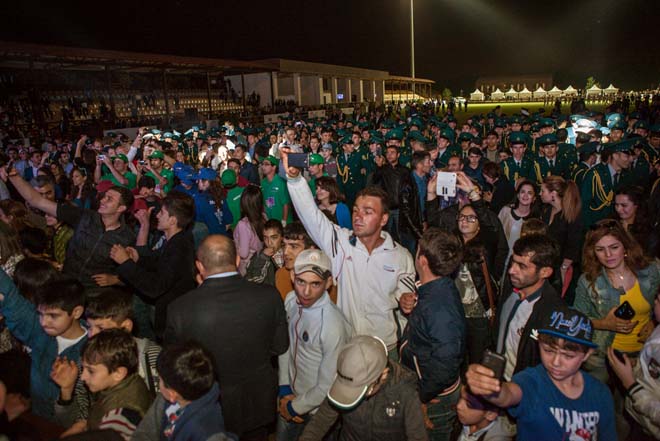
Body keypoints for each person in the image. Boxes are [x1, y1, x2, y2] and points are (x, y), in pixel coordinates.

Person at [284, 149, 416, 354]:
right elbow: (312, 217)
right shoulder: (342, 243)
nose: (358, 216)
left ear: (383, 219)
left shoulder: (401, 257)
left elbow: (406, 294)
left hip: (386, 348)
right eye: (355, 210)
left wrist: (407, 300)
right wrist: (295, 180)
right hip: (349, 346)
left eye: (368, 212)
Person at [164, 235, 288, 439]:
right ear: (238, 260)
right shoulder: (269, 296)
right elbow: (280, 346)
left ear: (200, 267)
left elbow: (177, 365)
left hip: (208, 407)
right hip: (256, 402)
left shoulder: (179, 309)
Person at [466, 306, 616, 441]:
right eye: (548, 350)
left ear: (586, 354)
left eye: (568, 356)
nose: (556, 362)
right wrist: (490, 388)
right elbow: (509, 394)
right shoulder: (531, 380)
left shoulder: (600, 393)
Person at [1, 164, 135, 291]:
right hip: (68, 286)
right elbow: (37, 201)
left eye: (109, 199)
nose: (102, 200)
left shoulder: (126, 237)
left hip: (97, 294)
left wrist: (116, 280)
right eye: (104, 197)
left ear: (121, 208)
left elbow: (135, 275)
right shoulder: (84, 216)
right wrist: (15, 177)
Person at [277, 249, 352, 440]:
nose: (306, 291)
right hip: (288, 398)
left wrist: (295, 407)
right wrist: (284, 388)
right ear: (293, 276)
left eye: (315, 284)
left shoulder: (332, 325)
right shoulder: (291, 301)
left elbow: (328, 384)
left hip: (316, 413)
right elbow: (286, 345)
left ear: (328, 283)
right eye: (301, 281)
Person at [399, 228, 465, 441]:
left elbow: (446, 365)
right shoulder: (435, 287)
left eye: (417, 251)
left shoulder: (440, 309)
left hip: (434, 400)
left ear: (423, 261)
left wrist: (420, 396)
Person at [574, 219, 660, 382]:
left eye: (614, 247)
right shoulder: (588, 281)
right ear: (593, 252)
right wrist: (604, 324)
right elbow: (576, 319)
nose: (608, 255)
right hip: (601, 357)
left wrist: (655, 323)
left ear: (625, 247)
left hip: (644, 356)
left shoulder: (651, 271)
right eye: (600, 249)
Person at [298, 335, 429, 441]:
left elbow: (417, 437)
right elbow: (320, 421)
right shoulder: (347, 376)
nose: (350, 394)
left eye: (361, 390)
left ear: (383, 374)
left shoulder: (405, 392)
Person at [0, 272, 87, 423]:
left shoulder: (92, 350)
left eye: (53, 316)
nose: (44, 322)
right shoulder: (40, 330)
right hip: (37, 419)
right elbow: (11, 298)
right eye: (40, 314)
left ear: (76, 312)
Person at [111, 192, 196, 338]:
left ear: (172, 221)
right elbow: (161, 262)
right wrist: (138, 258)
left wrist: (126, 263)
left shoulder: (179, 248)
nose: (157, 216)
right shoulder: (178, 240)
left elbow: (155, 287)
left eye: (162, 213)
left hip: (172, 323)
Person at [58, 329, 153, 440]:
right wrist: (67, 389)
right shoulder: (127, 382)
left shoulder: (122, 415)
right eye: (83, 368)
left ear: (118, 373)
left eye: (91, 371)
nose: (83, 377)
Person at [132, 341, 237, 441]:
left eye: (160, 379)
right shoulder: (166, 398)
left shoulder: (206, 431)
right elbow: (144, 433)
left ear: (172, 394)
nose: (159, 384)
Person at [495, 234, 564, 380]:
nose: (511, 271)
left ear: (545, 272)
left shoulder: (552, 312)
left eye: (522, 266)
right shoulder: (511, 287)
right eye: (513, 262)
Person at [455, 203, 508, 364]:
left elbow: (493, 227)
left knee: (476, 358)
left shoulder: (485, 247)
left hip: (478, 313)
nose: (465, 221)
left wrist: (475, 197)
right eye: (462, 217)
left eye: (471, 218)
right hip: (455, 311)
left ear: (480, 225)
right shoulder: (452, 245)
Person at [607, 289, 660, 439]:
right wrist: (636, 364)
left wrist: (630, 384)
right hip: (639, 418)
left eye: (659, 301)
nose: (654, 302)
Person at [539, 176, 583, 301]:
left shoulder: (570, 215)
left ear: (553, 194)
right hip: (547, 265)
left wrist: (563, 269)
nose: (540, 194)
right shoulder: (546, 210)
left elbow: (573, 245)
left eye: (543, 191)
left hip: (562, 269)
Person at [580, 139, 633, 228]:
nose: (631, 159)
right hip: (597, 226)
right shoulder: (595, 175)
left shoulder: (626, 176)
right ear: (615, 156)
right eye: (627, 155)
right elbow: (584, 206)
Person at [613, 185, 658, 258]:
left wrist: (626, 233)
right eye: (616, 205)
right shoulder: (612, 223)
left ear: (636, 205)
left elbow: (644, 256)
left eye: (624, 205)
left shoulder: (647, 230)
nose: (618, 209)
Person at [497, 180, 538, 261]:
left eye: (529, 193)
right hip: (501, 259)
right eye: (522, 192)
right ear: (518, 195)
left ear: (534, 198)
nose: (525, 195)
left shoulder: (536, 219)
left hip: (522, 262)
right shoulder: (505, 211)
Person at [233, 184, 265, 276]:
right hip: (260, 265)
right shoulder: (263, 217)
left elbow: (243, 253)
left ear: (243, 202)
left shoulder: (243, 224)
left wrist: (233, 246)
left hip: (247, 269)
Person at [192, 168, 233, 235]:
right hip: (223, 238)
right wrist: (220, 231)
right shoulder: (221, 197)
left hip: (208, 240)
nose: (197, 182)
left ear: (207, 182)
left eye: (200, 180)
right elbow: (229, 221)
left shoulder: (198, 199)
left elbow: (196, 224)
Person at [260, 155, 292, 225]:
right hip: (269, 220)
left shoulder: (281, 183)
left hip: (281, 221)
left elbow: (286, 204)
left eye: (266, 164)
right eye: (262, 164)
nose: (263, 167)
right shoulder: (263, 182)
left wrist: (284, 221)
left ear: (274, 167)